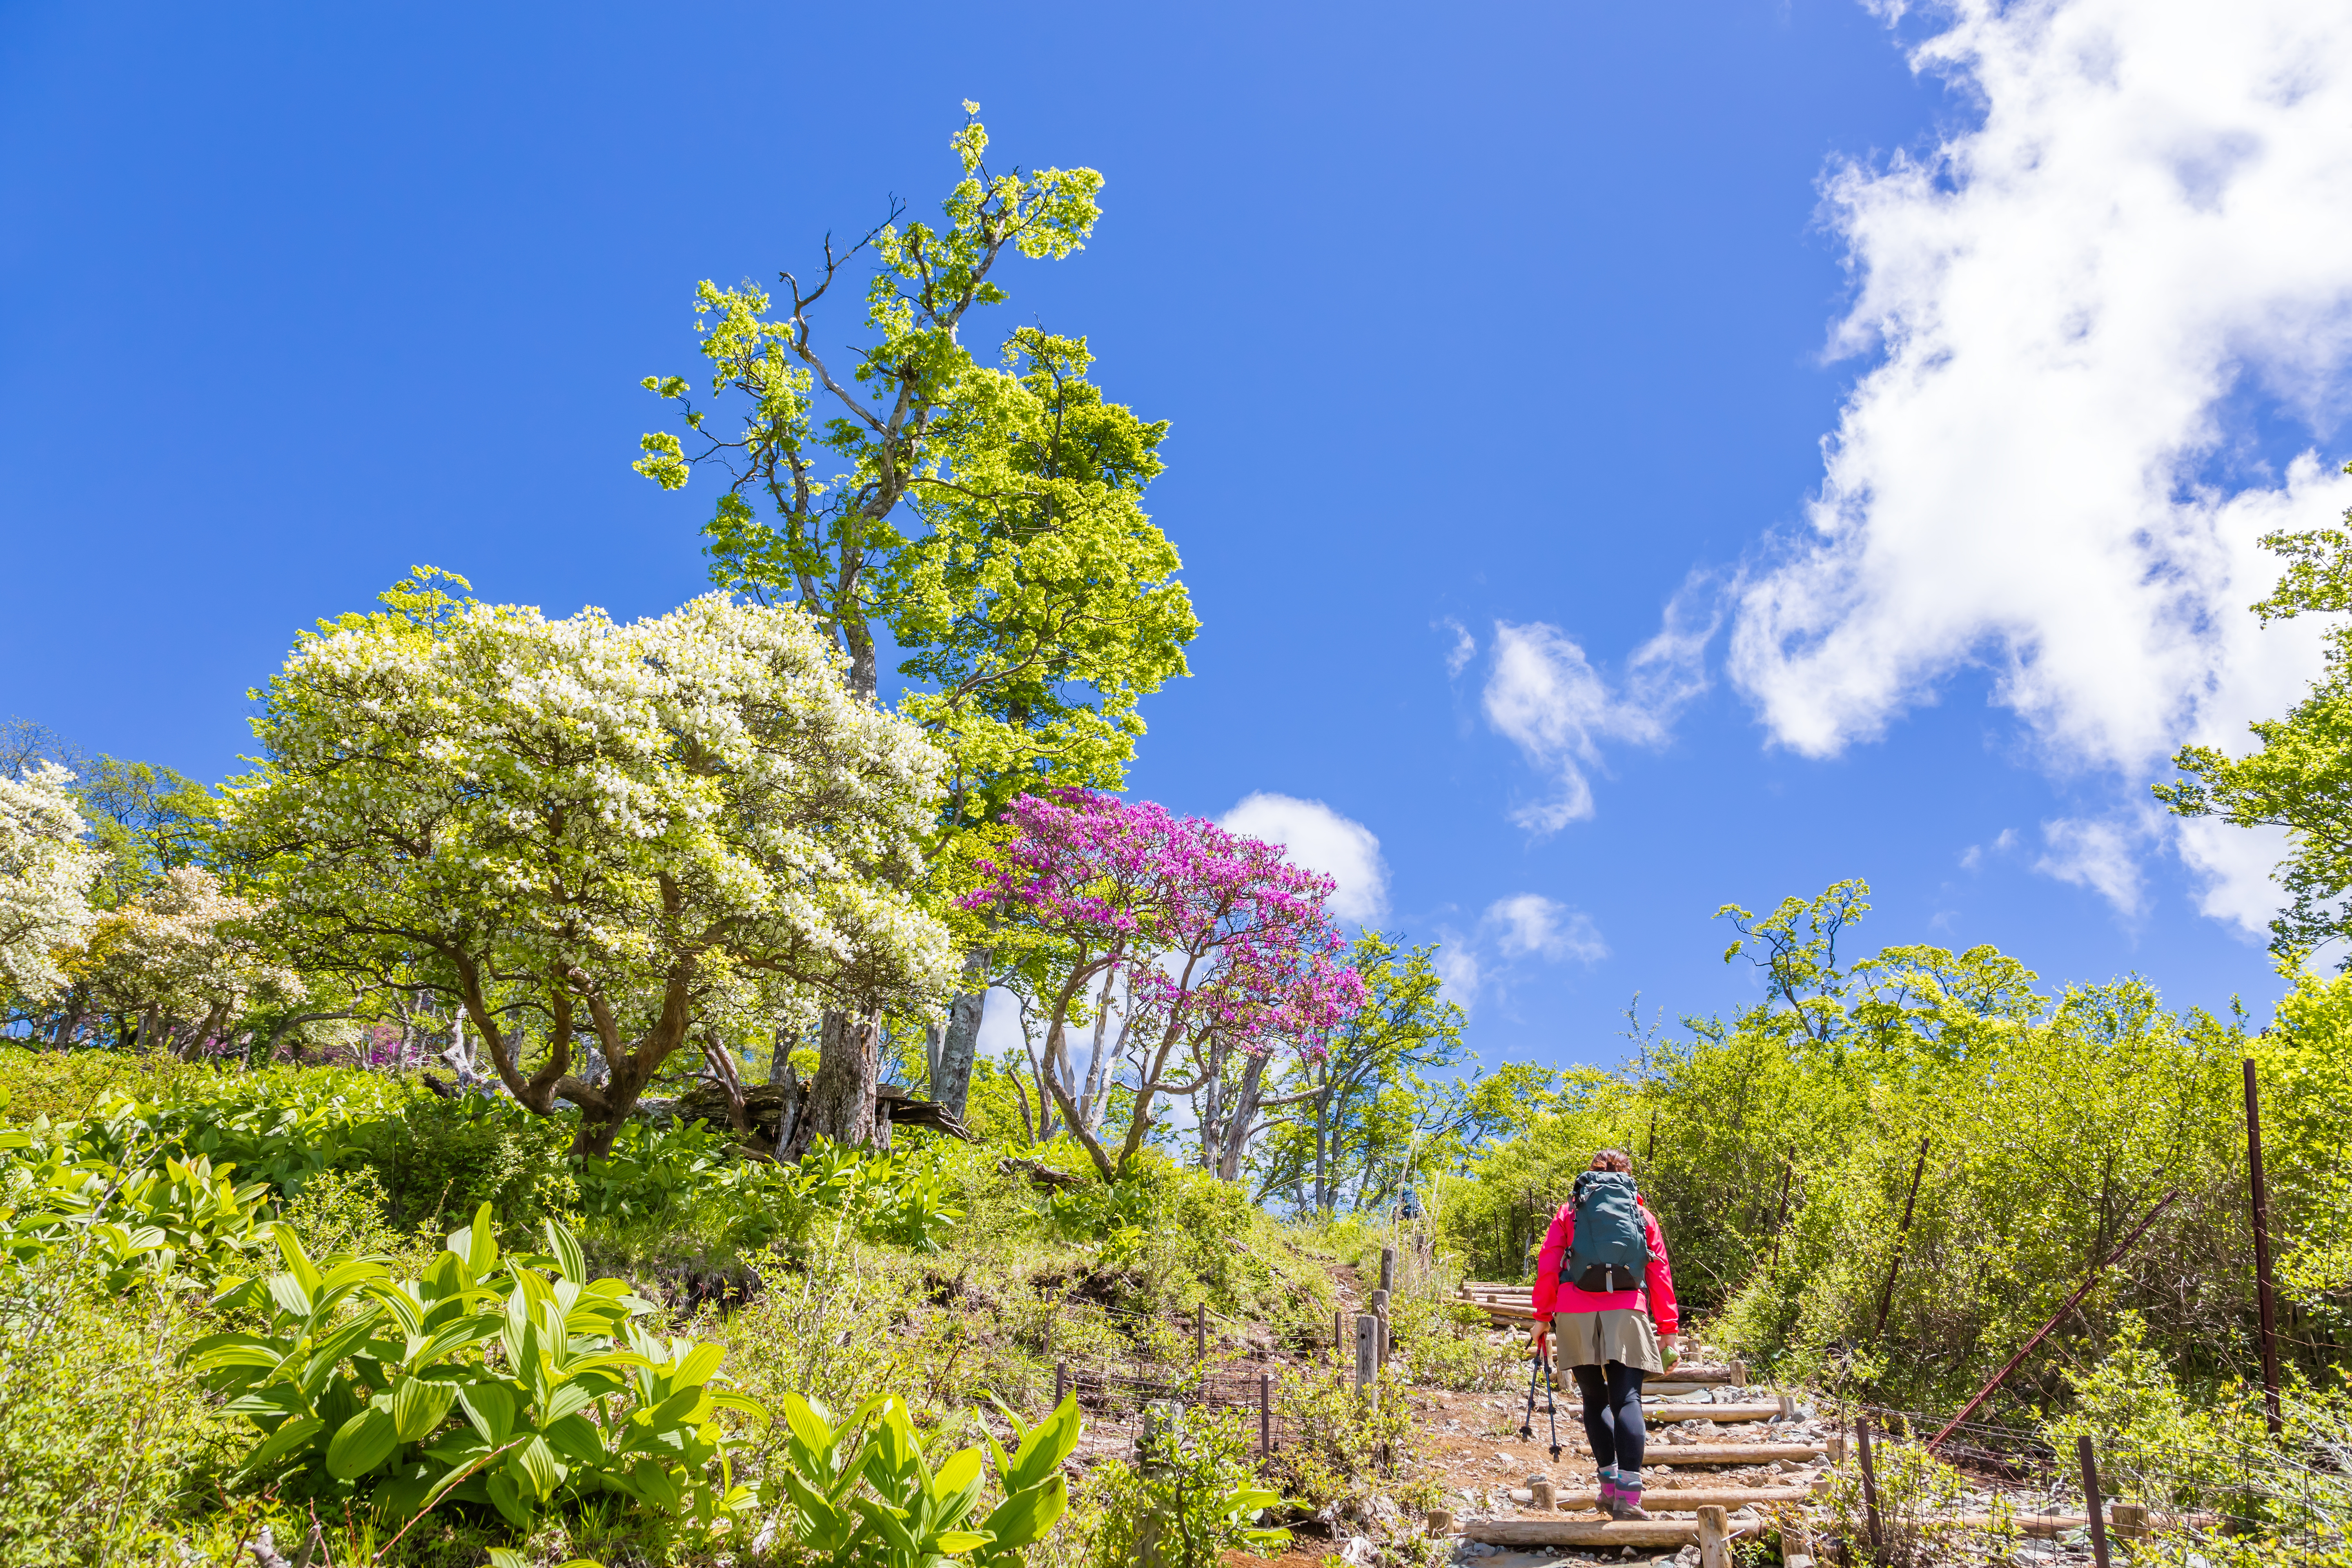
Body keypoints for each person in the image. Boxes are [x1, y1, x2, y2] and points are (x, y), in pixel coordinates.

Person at [1530, 1147, 1679, 1522]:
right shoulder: (1641, 1215)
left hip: (1574, 1311)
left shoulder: (1570, 1212)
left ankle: (1608, 1488)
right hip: (1627, 1310)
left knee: (1594, 1399)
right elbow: (1659, 1272)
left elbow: (1549, 1263)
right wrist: (1668, 1330)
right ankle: (1628, 1499)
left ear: (1590, 1175)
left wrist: (1542, 1317)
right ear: (1626, 1176)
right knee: (1627, 1399)